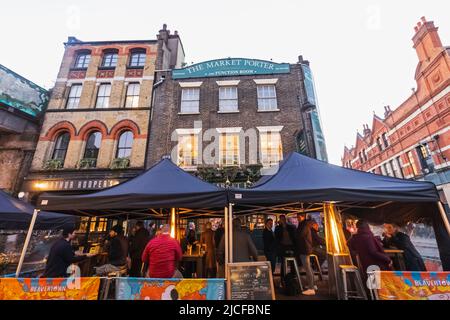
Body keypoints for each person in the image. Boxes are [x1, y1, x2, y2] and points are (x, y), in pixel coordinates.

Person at [295, 213, 316, 296]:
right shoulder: (305, 224)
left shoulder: (304, 225)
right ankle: (313, 285)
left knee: (307, 268)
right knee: (309, 268)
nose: (297, 218)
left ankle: (311, 288)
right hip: (306, 248)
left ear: (302, 216)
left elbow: (300, 235)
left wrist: (295, 235)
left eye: (298, 217)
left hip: (304, 249)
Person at [274, 214, 296, 281]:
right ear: (280, 220)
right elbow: (276, 236)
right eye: (281, 219)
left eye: (283, 219)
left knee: (292, 262)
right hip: (283, 246)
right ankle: (283, 277)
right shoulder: (278, 228)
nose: (283, 220)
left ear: (285, 219)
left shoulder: (290, 226)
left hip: (290, 246)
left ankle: (293, 275)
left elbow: (294, 234)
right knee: (283, 262)